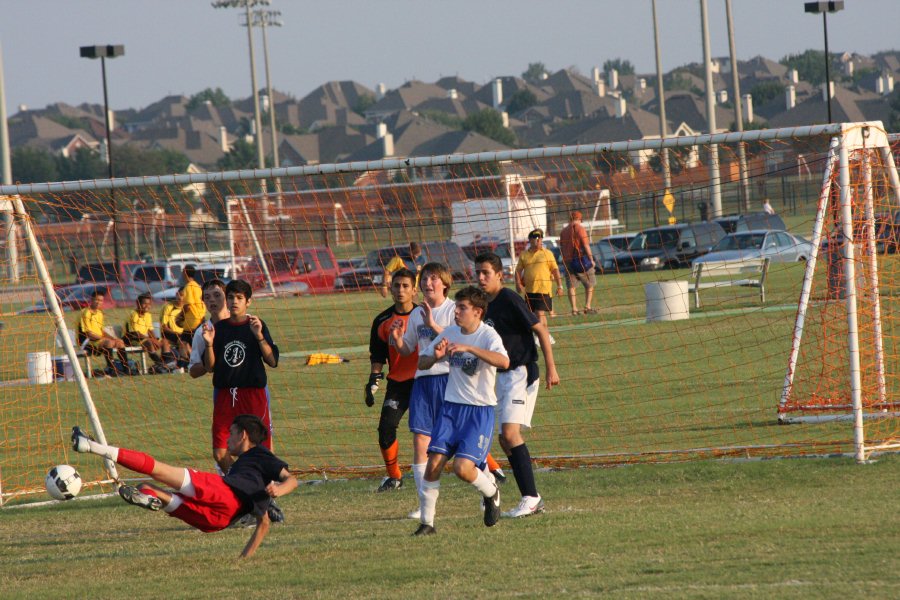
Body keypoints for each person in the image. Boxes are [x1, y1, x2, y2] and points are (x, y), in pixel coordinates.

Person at [71, 414, 297, 558]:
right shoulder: (249, 474)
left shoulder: (260, 454)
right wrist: (243, 560)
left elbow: (292, 479)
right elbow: (264, 524)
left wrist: (279, 489)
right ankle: (151, 498)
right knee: (147, 487)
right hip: (219, 521)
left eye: (232, 433)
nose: (227, 439)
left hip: (223, 493)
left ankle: (90, 446)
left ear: (244, 435)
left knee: (158, 469)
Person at [392, 262, 505, 520]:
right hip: (427, 384)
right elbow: (414, 352)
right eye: (425, 279)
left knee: (463, 459)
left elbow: (486, 353)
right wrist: (402, 342)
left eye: (433, 279)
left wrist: (436, 328)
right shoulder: (419, 315)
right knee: (425, 447)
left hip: (457, 390)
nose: (428, 283)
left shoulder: (458, 314)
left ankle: (489, 487)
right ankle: (426, 513)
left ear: (444, 283)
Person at [412, 286, 510, 535]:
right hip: (451, 409)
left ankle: (491, 491)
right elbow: (422, 362)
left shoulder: (488, 336)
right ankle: (427, 523)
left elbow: (504, 362)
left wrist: (470, 349)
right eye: (456, 307)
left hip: (479, 412)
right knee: (433, 463)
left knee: (462, 469)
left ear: (477, 312)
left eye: (462, 308)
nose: (456, 311)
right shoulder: (450, 332)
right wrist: (435, 356)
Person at [476, 252, 560, 518]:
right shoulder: (483, 304)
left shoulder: (509, 299)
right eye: (477, 272)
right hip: (501, 376)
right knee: (503, 438)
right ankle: (528, 497)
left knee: (510, 434)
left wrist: (551, 367)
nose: (480, 277)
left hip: (520, 372)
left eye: (485, 273)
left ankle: (532, 497)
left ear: (500, 275)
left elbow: (541, 330)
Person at [202, 279, 279, 473]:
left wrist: (259, 336)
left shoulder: (256, 325)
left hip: (252, 394)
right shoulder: (218, 329)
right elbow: (209, 367)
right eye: (230, 297)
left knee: (261, 448)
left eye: (239, 298)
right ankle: (241, 481)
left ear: (248, 302)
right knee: (220, 452)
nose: (234, 301)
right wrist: (209, 343)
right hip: (226, 396)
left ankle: (263, 491)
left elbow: (272, 361)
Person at [366, 268, 418, 492]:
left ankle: (490, 468)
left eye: (406, 286)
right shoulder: (382, 320)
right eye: (396, 286)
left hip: (425, 382)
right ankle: (394, 477)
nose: (400, 290)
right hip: (398, 384)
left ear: (414, 290)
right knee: (386, 429)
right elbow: (378, 356)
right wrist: (373, 380)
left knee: (446, 429)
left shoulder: (424, 315)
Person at [515, 228, 563, 330]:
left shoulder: (547, 253)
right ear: (530, 240)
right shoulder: (524, 254)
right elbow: (518, 271)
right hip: (529, 290)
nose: (538, 241)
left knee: (540, 313)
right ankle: (546, 335)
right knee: (534, 315)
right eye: (535, 238)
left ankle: (540, 336)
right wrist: (518, 284)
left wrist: (560, 286)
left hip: (543, 289)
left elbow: (555, 270)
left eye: (540, 238)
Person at [77, 289, 128, 372]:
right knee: (109, 343)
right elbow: (89, 334)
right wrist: (106, 339)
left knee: (120, 342)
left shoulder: (99, 313)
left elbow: (102, 331)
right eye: (96, 300)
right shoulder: (85, 313)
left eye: (101, 300)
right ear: (91, 300)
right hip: (86, 342)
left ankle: (126, 368)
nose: (98, 302)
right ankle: (111, 369)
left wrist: (113, 338)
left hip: (97, 341)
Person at [559, 211, 596, 315]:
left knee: (571, 286)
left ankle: (574, 309)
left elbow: (561, 247)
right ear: (579, 219)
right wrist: (591, 259)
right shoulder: (580, 229)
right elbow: (586, 246)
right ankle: (587, 306)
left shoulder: (563, 231)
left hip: (567, 262)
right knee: (590, 284)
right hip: (580, 261)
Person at [123, 293, 173, 370]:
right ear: (138, 303)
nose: (147, 306)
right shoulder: (133, 314)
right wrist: (151, 340)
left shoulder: (148, 315)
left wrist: (155, 340)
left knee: (164, 341)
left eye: (149, 304)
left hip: (143, 338)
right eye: (144, 303)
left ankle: (167, 363)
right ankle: (160, 364)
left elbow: (150, 330)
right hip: (131, 339)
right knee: (149, 343)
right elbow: (135, 333)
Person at [178, 265, 205, 345]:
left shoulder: (188, 287)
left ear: (185, 273)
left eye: (183, 271)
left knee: (183, 344)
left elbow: (188, 306)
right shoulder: (197, 286)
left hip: (191, 323)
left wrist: (180, 316)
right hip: (200, 320)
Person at [160, 287, 188, 363]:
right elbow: (164, 327)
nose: (181, 298)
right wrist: (177, 333)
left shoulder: (187, 308)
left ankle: (189, 362)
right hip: (170, 334)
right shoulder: (168, 307)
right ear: (176, 294)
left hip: (183, 334)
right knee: (183, 341)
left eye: (184, 296)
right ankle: (183, 363)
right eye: (180, 295)